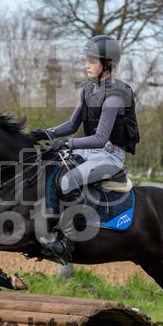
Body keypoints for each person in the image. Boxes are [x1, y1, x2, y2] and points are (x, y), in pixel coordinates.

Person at [29, 34, 140, 263]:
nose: (86, 65)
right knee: (49, 166)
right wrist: (46, 133)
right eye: (86, 60)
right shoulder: (88, 89)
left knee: (68, 181)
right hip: (89, 152)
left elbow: (100, 138)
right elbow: (72, 125)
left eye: (91, 61)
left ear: (107, 64)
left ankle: (68, 241)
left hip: (110, 156)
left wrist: (67, 143)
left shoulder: (116, 96)